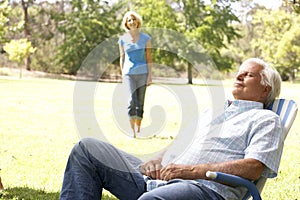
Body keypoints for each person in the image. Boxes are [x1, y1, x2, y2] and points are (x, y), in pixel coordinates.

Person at [60, 58, 283, 200]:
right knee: (87, 150)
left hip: (204, 189)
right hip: (161, 178)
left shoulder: (265, 120)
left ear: (265, 89)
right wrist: (157, 160)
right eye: (239, 72)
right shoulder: (212, 112)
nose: (238, 76)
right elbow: (179, 144)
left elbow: (253, 167)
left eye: (248, 74)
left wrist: (193, 171)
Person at [118, 11, 152, 138]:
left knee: (140, 103)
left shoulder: (146, 39)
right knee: (131, 100)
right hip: (128, 74)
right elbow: (122, 58)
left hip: (143, 73)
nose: (132, 22)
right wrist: (122, 74)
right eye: (129, 20)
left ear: (137, 21)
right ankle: (131, 130)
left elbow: (149, 58)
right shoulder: (122, 40)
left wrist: (150, 76)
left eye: (133, 19)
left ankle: (138, 128)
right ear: (126, 23)